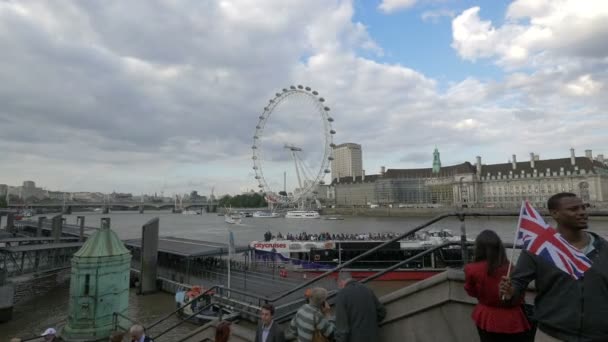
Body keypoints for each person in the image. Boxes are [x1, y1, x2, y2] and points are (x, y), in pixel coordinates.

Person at [500, 192, 608, 341]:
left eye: (584, 207)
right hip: (553, 335)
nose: (582, 212)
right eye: (574, 209)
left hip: (599, 335)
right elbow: (516, 287)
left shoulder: (603, 247)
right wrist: (510, 293)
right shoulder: (537, 249)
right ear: (555, 214)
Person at [464, 230, 533, 341]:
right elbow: (520, 295)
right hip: (513, 319)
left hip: (486, 316)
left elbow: (470, 291)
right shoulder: (511, 268)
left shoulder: (472, 269)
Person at [334, 273, 386, 342]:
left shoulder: (341, 295)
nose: (339, 287)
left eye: (338, 285)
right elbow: (382, 312)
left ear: (340, 281)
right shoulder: (367, 289)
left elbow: (342, 327)